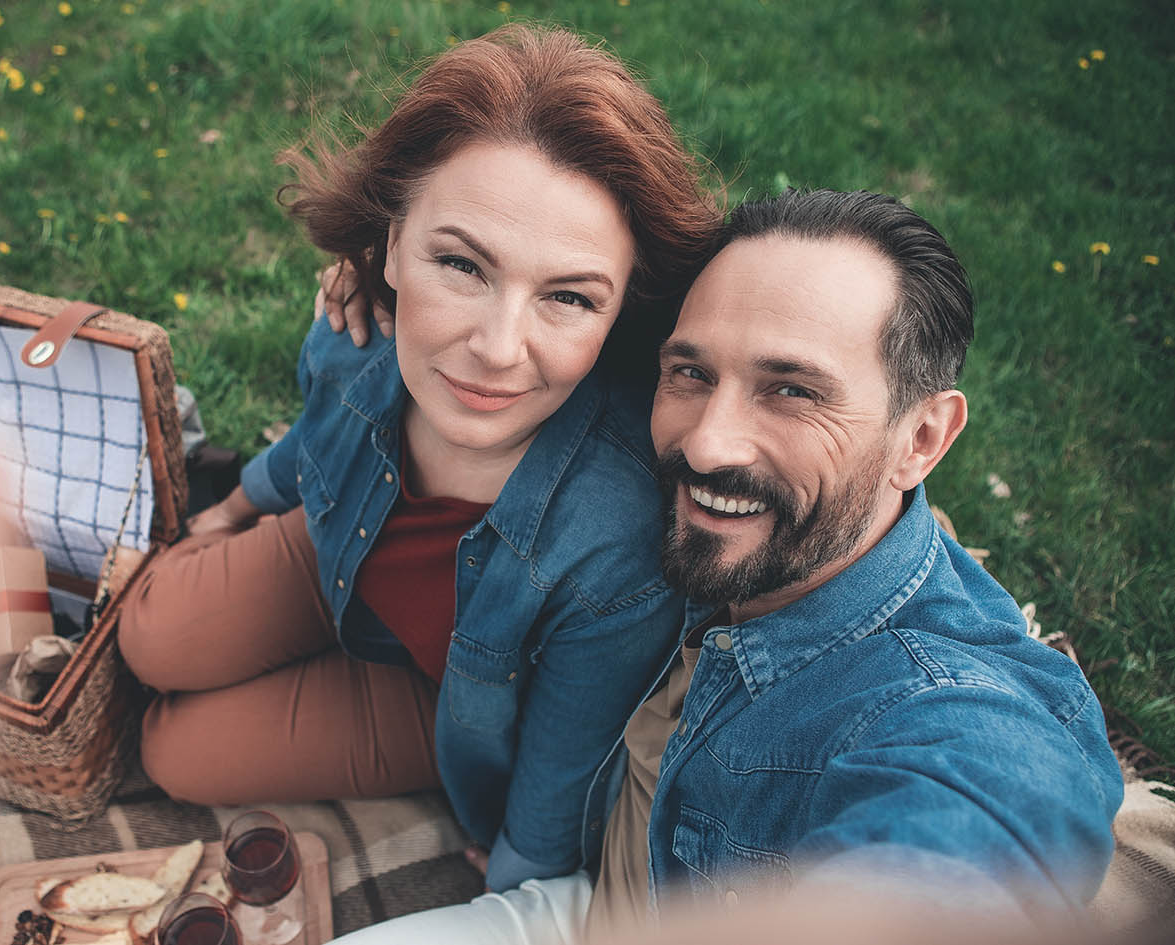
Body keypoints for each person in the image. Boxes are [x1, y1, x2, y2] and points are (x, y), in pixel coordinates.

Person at [320, 189, 1124, 944]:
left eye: (793, 391)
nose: (705, 443)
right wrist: (386, 287)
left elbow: (981, 831)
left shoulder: (943, 705)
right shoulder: (684, 480)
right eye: (693, 373)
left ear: (920, 440)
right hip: (584, 899)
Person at [116, 25, 719, 893]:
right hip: (333, 555)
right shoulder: (362, 328)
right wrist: (239, 502)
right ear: (391, 243)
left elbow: (566, 764)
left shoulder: (615, 546)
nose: (497, 348)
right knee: (145, 634)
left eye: (568, 296)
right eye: (462, 265)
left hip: (442, 698)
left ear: (623, 312)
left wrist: (520, 870)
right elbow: (317, 435)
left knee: (169, 750)